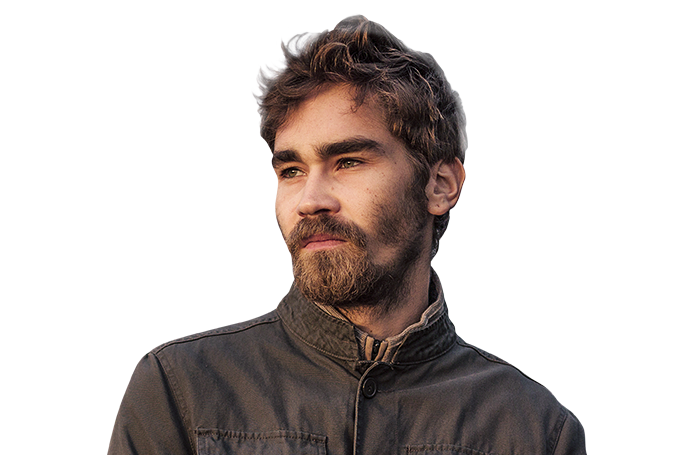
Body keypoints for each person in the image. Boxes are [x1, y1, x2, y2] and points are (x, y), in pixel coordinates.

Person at [109, 13, 587, 455]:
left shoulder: (536, 431)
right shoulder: (179, 393)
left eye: (348, 162)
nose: (310, 199)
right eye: (291, 170)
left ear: (441, 185)